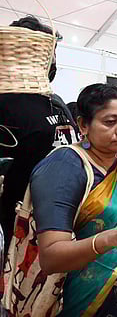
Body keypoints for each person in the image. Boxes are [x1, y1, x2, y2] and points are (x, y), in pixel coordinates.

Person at [30, 83, 117, 316]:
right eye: (110, 122)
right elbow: (50, 258)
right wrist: (110, 238)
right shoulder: (66, 166)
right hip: (77, 301)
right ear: (83, 125)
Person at [0, 15, 80, 250]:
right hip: (18, 225)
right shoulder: (4, 104)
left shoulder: (55, 101)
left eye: (52, 51)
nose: (51, 58)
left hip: (63, 218)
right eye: (46, 49)